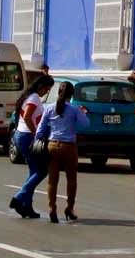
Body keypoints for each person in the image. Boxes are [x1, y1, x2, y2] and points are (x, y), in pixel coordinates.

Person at [36, 80, 89, 223]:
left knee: (52, 181)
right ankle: (69, 208)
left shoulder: (49, 108)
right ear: (71, 94)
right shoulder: (74, 109)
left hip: (52, 146)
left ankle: (52, 208)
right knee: (71, 180)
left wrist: (38, 140)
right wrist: (82, 113)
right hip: (69, 147)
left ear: (59, 92)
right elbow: (86, 124)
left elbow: (40, 130)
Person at [9, 72, 54, 219]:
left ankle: (27, 206)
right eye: (47, 89)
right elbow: (28, 116)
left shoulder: (28, 96)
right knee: (42, 171)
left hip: (21, 134)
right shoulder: (34, 98)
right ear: (41, 86)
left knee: (33, 171)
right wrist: (36, 134)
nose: (47, 92)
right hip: (27, 136)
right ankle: (19, 197)